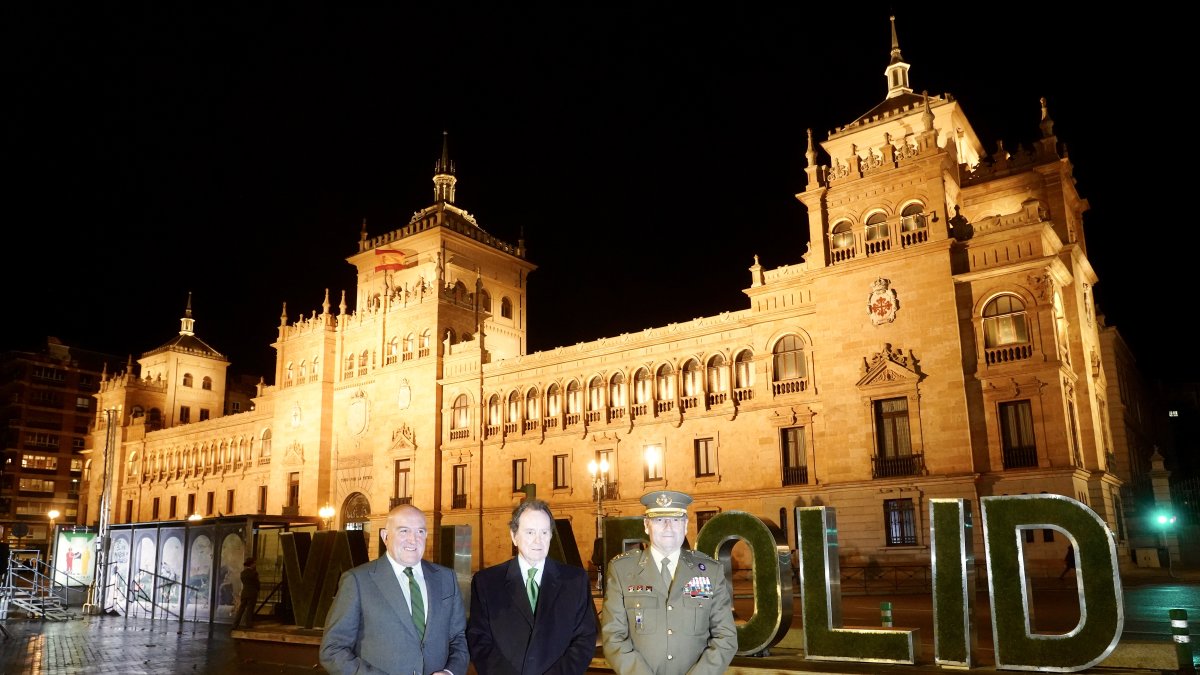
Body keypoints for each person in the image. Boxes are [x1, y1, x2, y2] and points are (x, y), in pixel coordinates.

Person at [600, 490, 737, 675]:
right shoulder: (622, 570)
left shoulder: (710, 571)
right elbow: (613, 637)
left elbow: (725, 637)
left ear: (686, 525)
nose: (668, 527)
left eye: (675, 519)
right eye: (659, 520)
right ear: (646, 525)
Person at [320, 504, 468, 675]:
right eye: (403, 531)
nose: (413, 539)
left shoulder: (446, 578)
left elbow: (458, 638)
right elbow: (332, 650)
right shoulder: (357, 581)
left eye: (420, 531)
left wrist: (450, 672)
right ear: (385, 536)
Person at [467, 498, 597, 674]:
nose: (538, 541)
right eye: (530, 532)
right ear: (514, 536)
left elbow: (584, 639)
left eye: (544, 532)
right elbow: (479, 640)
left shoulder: (575, 580)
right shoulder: (487, 582)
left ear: (551, 535)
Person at [231, 557, 260, 629]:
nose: (255, 565)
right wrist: (257, 590)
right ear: (252, 564)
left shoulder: (242, 573)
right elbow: (257, 584)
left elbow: (244, 582)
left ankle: (235, 625)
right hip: (252, 593)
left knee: (241, 609)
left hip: (244, 592)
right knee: (250, 609)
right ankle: (248, 624)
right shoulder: (254, 573)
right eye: (254, 563)